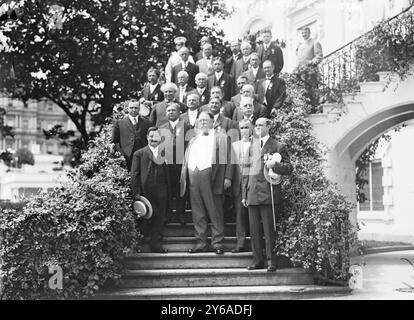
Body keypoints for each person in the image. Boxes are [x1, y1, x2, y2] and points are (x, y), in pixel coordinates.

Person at [242, 118, 293, 271]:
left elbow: (289, 168)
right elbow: (245, 170)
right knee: (254, 230)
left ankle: (272, 261)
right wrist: (244, 193)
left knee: (269, 230)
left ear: (268, 127)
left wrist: (275, 165)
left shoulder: (278, 145)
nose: (257, 127)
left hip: (268, 192)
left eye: (260, 125)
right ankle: (257, 260)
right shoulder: (251, 146)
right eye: (256, 125)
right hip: (252, 192)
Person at [180, 111, 233, 254]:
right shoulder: (193, 139)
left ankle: (217, 243)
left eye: (206, 120)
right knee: (198, 212)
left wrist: (227, 177)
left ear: (212, 122)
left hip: (211, 176)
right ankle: (201, 242)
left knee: (214, 210)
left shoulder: (221, 137)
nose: (203, 122)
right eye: (200, 120)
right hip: (193, 176)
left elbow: (229, 158)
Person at [130, 127, 170, 253]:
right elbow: (134, 174)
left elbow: (168, 174)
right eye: (151, 136)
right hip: (145, 192)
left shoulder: (164, 153)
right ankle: (139, 245)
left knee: (160, 218)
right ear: (147, 137)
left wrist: (169, 192)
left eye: (156, 136)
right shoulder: (139, 154)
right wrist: (136, 193)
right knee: (144, 218)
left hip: (161, 191)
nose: (153, 139)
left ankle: (156, 244)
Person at [159, 103, 191, 225]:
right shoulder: (162, 128)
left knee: (181, 188)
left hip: (181, 162)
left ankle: (181, 214)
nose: (171, 112)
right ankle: (168, 214)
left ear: (179, 112)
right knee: (168, 188)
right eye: (168, 110)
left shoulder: (186, 126)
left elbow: (189, 144)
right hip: (167, 163)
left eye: (173, 110)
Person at [230, 119, 253, 252]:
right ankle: (240, 242)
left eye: (246, 127)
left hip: (252, 182)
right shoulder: (234, 145)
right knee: (240, 215)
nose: (244, 130)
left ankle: (256, 243)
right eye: (242, 128)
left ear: (251, 129)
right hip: (239, 184)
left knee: (254, 214)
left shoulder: (257, 144)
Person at [111, 100, 151, 171]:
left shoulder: (147, 122)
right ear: (127, 109)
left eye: (136, 108)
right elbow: (115, 141)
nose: (133, 110)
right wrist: (122, 153)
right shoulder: (119, 123)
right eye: (131, 108)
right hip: (127, 156)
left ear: (139, 109)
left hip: (143, 154)